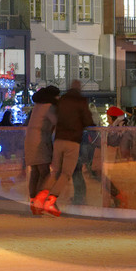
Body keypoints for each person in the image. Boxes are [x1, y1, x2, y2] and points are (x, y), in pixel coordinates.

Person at [33, 80, 94, 217]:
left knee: (55, 172)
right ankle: (50, 200)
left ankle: (40, 198)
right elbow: (87, 120)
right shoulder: (81, 101)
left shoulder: (62, 100)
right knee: (66, 173)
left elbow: (57, 117)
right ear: (79, 88)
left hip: (58, 140)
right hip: (72, 141)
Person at [23, 86, 59, 212]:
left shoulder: (37, 107)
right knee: (44, 172)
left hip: (30, 141)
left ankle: (33, 201)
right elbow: (57, 122)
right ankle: (41, 201)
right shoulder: (49, 107)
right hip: (40, 141)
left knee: (35, 172)